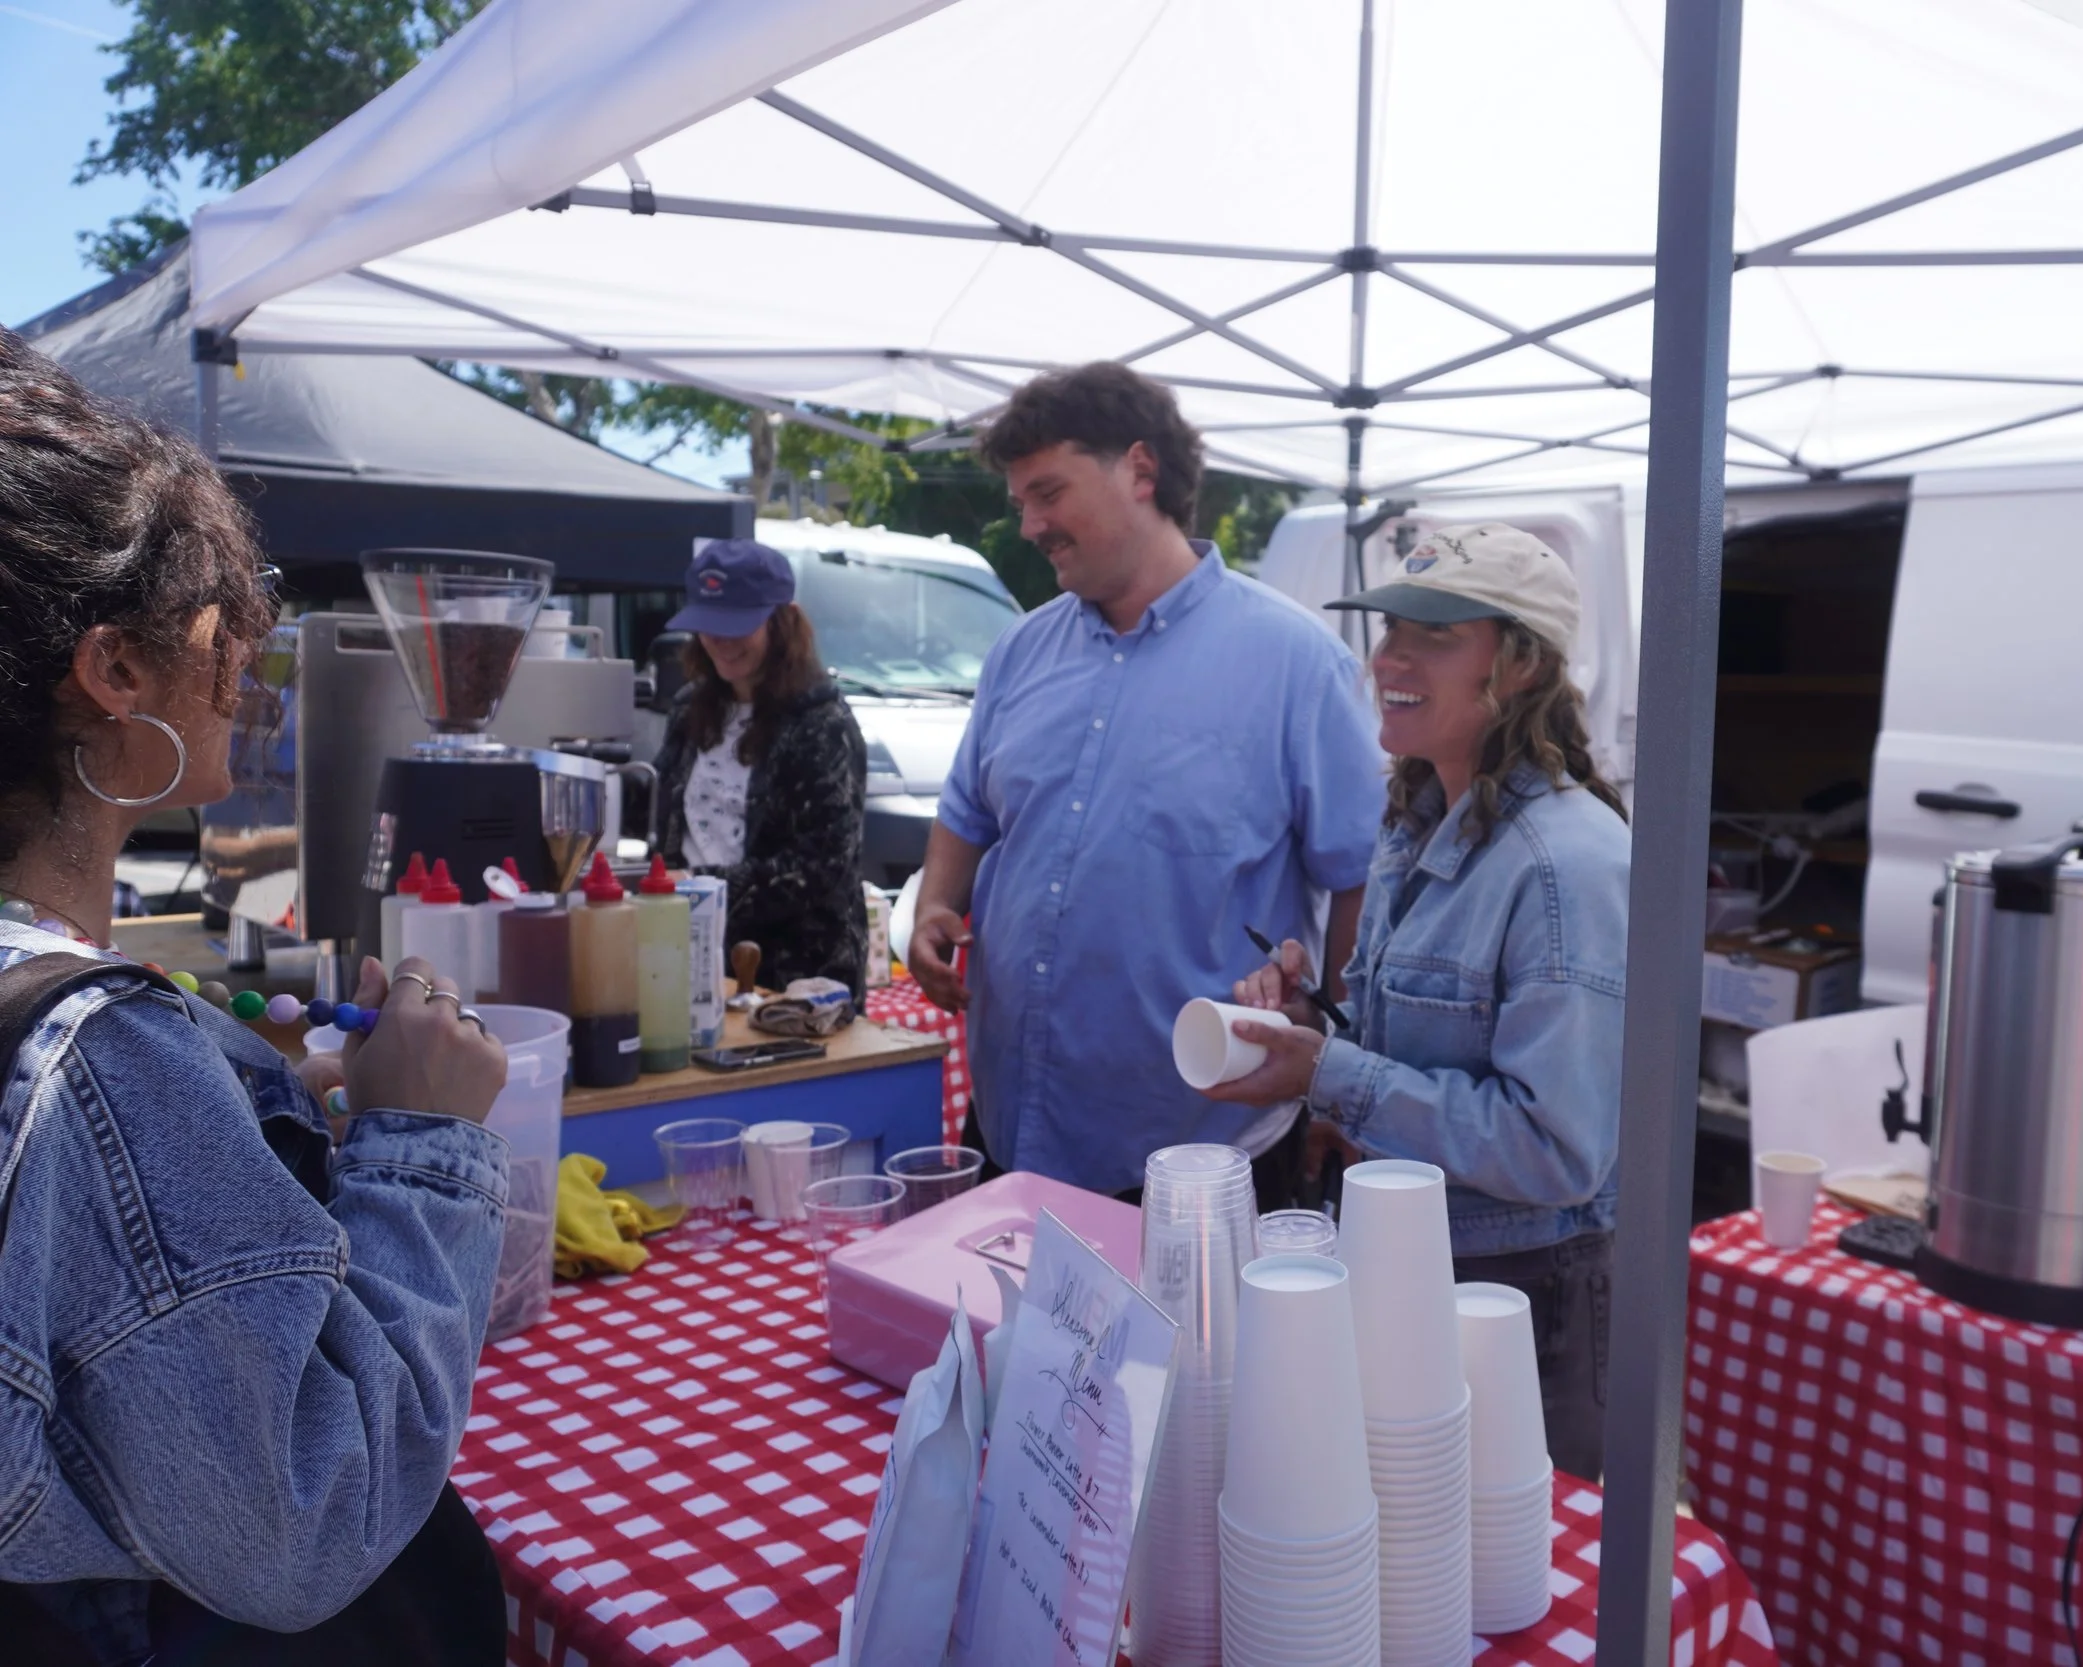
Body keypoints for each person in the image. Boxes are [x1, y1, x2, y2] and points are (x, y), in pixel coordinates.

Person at [0, 330, 512, 1664]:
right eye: (233, 612)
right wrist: (421, 1138)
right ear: (114, 669)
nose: (254, 655)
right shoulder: (101, 1057)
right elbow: (300, 1519)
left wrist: (251, 1106)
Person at [1205, 522, 1630, 1480]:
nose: (1387, 658)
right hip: (1417, 1265)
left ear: (1521, 665)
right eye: (1390, 628)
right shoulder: (1419, 818)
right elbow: (1408, 1057)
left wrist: (1332, 1072)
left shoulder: (1567, 864)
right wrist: (1310, 1024)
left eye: (1433, 636)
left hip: (1528, 1298)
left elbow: (1554, 1149)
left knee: (1511, 1590)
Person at [906, 362, 1383, 1206]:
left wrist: (1337, 1061)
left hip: (1203, 1150)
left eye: (1047, 493)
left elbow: (1360, 881)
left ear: (1139, 469)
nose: (1030, 524)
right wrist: (935, 907)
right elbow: (964, 811)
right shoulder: (1020, 650)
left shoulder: (1297, 664)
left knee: (1196, 1347)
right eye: (1020, 502)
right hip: (1012, 1124)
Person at [654, 538, 869, 998]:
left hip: (798, 978)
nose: (721, 642)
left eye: (737, 626)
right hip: (695, 956)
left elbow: (820, 865)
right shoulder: (689, 708)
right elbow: (670, 826)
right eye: (709, 626)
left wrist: (699, 890)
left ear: (784, 622)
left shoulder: (822, 723)